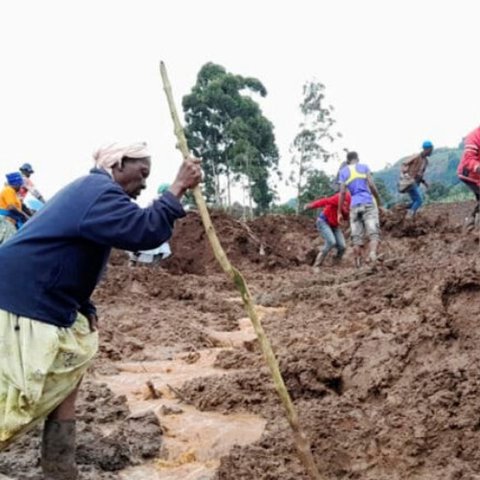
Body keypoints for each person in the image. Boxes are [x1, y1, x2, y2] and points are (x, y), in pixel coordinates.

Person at [0, 142, 201, 479]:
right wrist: (178, 187)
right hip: (23, 299)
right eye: (142, 174)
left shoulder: (96, 194)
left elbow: (70, 252)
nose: (144, 184)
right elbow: (143, 232)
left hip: (44, 297)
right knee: (18, 400)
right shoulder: (99, 192)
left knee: (68, 377)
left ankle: (61, 471)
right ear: (119, 164)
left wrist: (83, 303)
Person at [337, 151, 382, 267]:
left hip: (354, 206)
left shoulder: (343, 172)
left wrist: (339, 212)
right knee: (373, 233)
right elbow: (371, 185)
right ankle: (372, 255)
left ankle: (358, 264)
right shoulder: (364, 167)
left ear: (347, 161)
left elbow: (342, 193)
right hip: (367, 202)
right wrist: (378, 199)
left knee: (356, 237)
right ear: (357, 159)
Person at [304, 190, 351, 272]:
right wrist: (311, 205)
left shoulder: (355, 202)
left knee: (342, 246)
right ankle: (316, 265)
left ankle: (335, 264)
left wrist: (347, 213)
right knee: (331, 241)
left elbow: (347, 216)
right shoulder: (341, 197)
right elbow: (325, 201)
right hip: (323, 221)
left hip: (334, 225)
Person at [129, 183, 173, 265]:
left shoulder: (162, 202)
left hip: (156, 230)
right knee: (147, 247)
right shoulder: (157, 201)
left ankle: (139, 265)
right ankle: (134, 263)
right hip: (153, 228)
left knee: (158, 249)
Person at [398, 140, 434, 218]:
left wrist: (424, 182)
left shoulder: (426, 161)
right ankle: (409, 216)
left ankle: (400, 208)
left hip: (415, 183)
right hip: (410, 182)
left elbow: (420, 174)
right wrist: (405, 174)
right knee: (419, 201)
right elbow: (404, 163)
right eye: (431, 149)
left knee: (415, 201)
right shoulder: (416, 156)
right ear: (427, 149)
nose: (432, 151)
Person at [457, 126, 480, 229]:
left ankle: (470, 223)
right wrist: (477, 167)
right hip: (469, 174)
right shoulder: (474, 136)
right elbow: (468, 160)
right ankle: (473, 225)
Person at [0, 172, 30, 244]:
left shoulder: (13, 193)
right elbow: (11, 207)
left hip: (10, 222)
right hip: (5, 222)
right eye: (20, 184)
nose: (20, 186)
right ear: (16, 183)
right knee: (6, 245)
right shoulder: (9, 190)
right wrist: (24, 215)